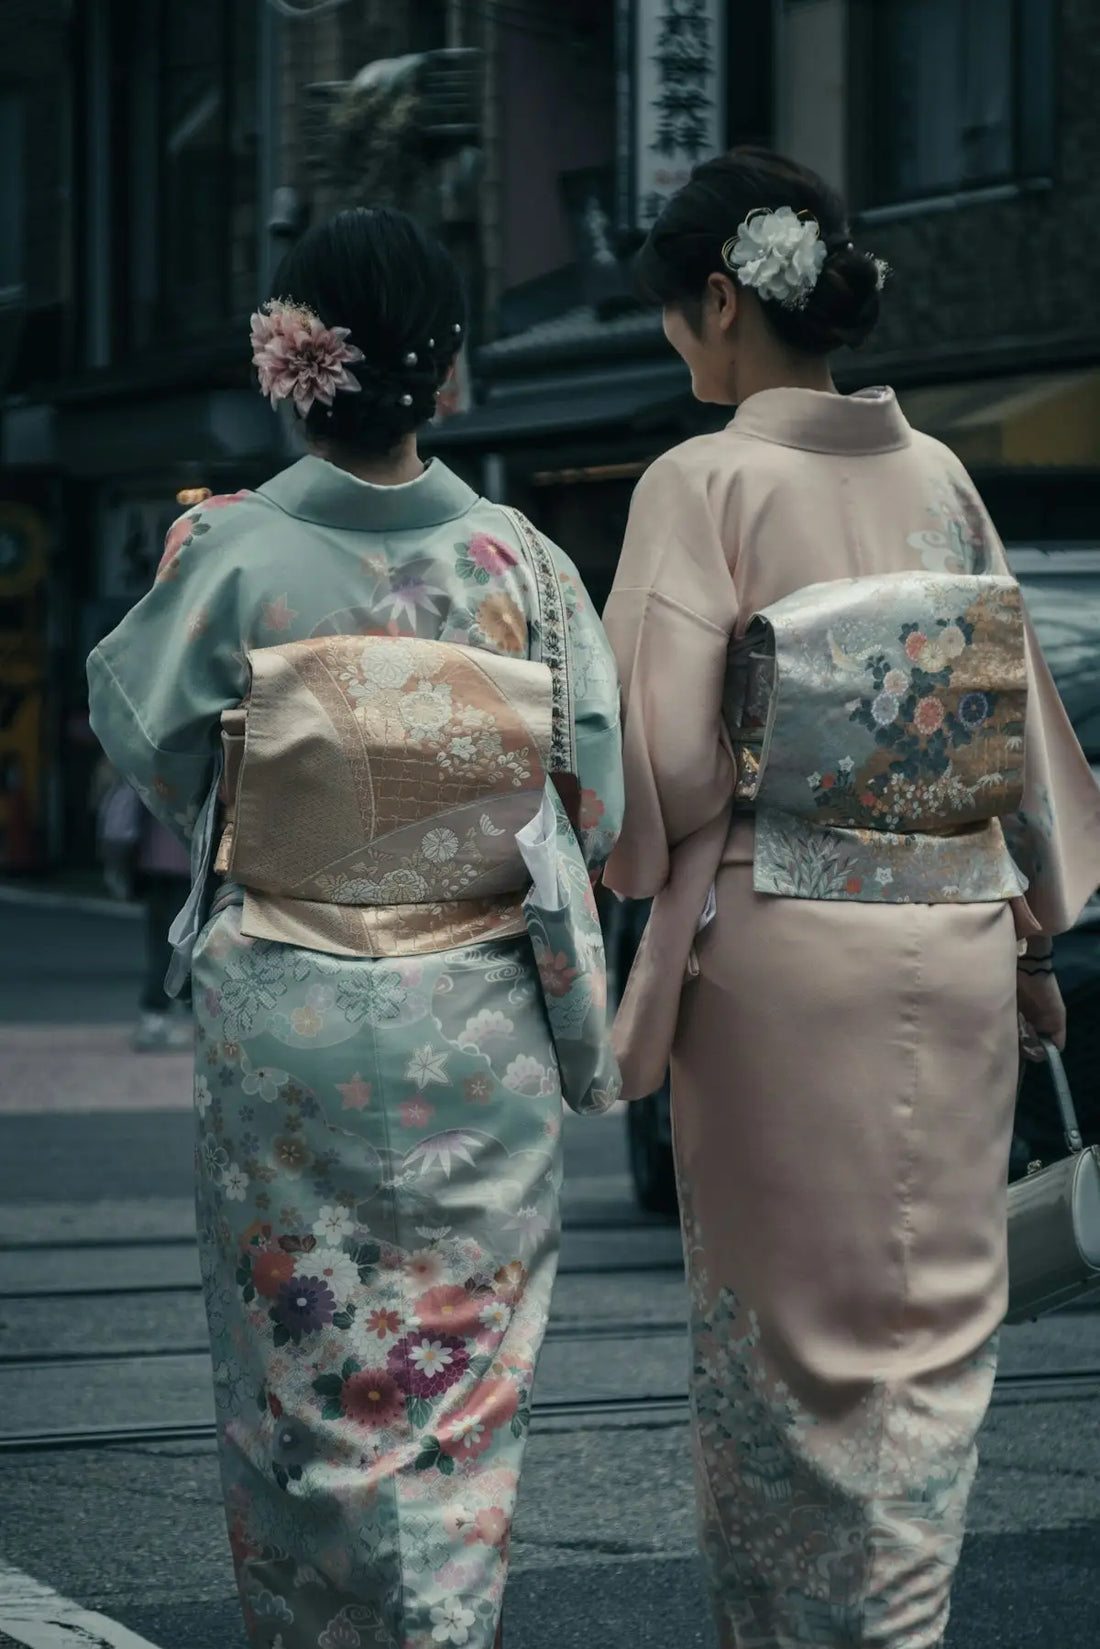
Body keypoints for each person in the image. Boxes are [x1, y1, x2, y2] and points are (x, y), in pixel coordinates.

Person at [87, 207, 622, 1649]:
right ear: (444, 374)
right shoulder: (520, 563)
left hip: (290, 1017)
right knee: (455, 1376)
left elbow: (140, 732)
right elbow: (602, 792)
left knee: (298, 1361)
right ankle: (441, 1626)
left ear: (291, 362)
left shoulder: (228, 547)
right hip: (475, 1025)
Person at [603, 147, 1100, 1649]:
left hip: (784, 949)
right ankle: (900, 1620)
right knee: (932, 1335)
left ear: (722, 298)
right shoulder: (940, 474)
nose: (681, 351)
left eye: (679, 322)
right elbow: (1013, 739)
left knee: (784, 1348)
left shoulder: (703, 480)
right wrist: (1027, 920)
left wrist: (643, 856)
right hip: (949, 935)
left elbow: (666, 769)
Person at [94, 758, 193, 1050]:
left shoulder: (149, 757)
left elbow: (123, 813)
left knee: (163, 940)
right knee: (183, 943)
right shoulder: (200, 756)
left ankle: (157, 1017)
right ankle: (161, 1016)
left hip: (154, 860)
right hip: (190, 863)